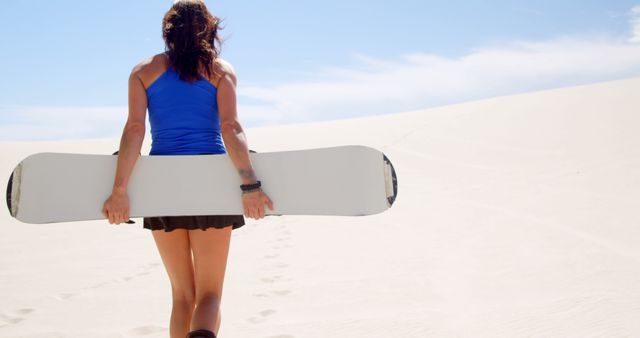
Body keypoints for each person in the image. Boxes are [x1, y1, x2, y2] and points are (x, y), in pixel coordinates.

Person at [101, 1, 273, 337]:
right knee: (209, 295)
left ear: (168, 32)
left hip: (162, 187)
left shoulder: (142, 72)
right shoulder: (220, 71)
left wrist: (119, 191)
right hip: (211, 185)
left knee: (182, 296)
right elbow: (230, 127)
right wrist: (250, 185)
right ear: (209, 29)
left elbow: (135, 130)